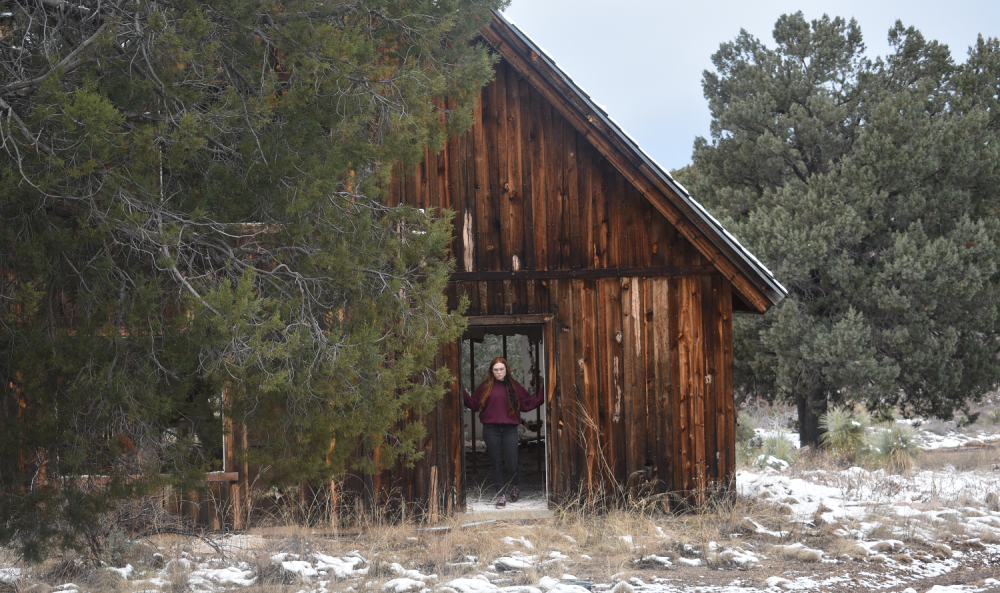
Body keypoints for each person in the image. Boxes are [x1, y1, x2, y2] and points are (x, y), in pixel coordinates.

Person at [463, 356, 544, 508]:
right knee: (495, 464)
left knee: (512, 463)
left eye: (501, 369)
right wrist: (459, 388)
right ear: (491, 371)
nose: (499, 372)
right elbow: (473, 404)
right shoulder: (485, 386)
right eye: (496, 370)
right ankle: (501, 495)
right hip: (491, 429)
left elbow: (527, 404)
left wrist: (544, 391)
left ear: (506, 370)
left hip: (509, 429)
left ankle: (515, 486)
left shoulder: (514, 387)